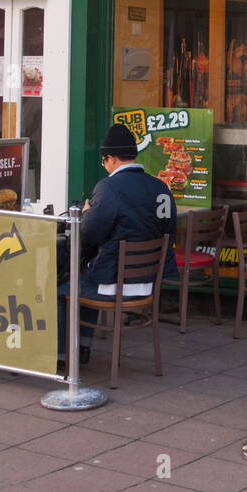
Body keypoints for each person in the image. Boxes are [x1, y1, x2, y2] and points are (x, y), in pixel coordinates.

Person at [57, 123, 178, 361]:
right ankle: (82, 348)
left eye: (104, 162)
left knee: (62, 288)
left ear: (110, 158)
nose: (104, 166)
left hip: (115, 285)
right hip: (149, 283)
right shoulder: (160, 186)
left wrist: (88, 212)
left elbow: (89, 234)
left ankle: (62, 357)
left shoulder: (109, 188)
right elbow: (169, 230)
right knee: (86, 276)